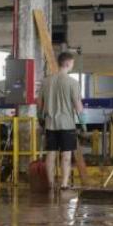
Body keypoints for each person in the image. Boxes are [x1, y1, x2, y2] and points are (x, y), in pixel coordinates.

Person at [37, 51, 84, 191]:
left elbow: (39, 102)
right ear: (68, 63)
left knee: (50, 154)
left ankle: (50, 184)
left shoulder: (46, 81)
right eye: (72, 63)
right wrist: (83, 120)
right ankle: (64, 184)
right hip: (67, 124)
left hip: (50, 124)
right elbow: (77, 104)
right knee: (66, 155)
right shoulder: (73, 83)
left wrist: (41, 116)